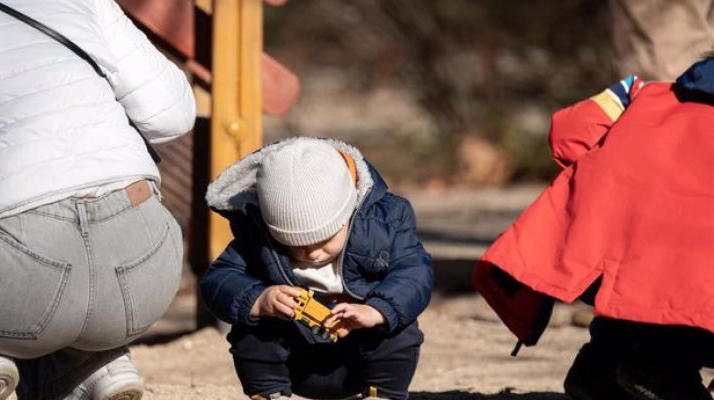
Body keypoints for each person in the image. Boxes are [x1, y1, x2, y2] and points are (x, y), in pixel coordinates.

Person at [0, 0, 195, 399]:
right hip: (146, 270)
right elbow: (172, 115)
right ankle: (86, 367)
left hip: (6, 279)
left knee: (5, 290)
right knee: (38, 299)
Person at [474, 57, 714, 400]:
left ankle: (600, 365)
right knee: (681, 279)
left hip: (600, 242)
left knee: (637, 279)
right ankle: (662, 365)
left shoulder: (641, 91)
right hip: (687, 265)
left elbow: (567, 134)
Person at [200, 137, 432, 400]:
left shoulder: (385, 224)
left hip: (357, 354)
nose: (311, 253)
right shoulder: (257, 238)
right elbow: (217, 280)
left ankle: (382, 394)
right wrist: (259, 299)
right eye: (294, 244)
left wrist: (377, 310)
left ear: (349, 213)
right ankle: (268, 393)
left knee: (398, 327)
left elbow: (414, 272)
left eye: (324, 240)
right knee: (252, 328)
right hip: (295, 358)